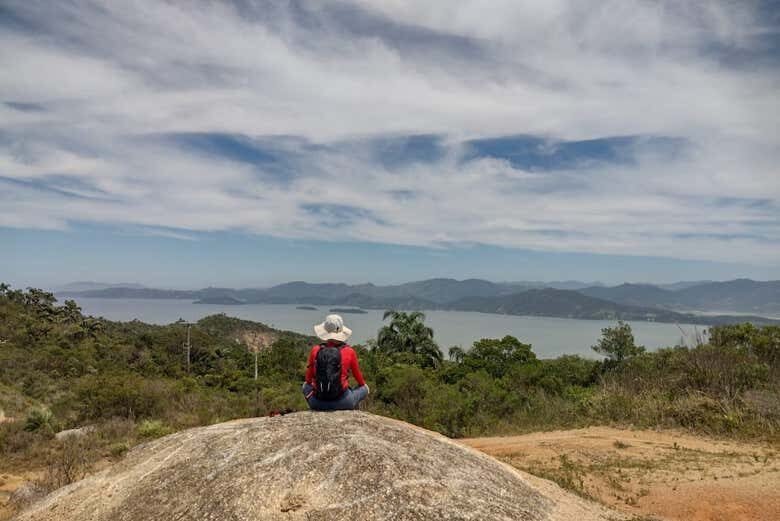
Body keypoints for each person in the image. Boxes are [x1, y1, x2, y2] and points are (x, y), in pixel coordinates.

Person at [302, 314, 369, 411]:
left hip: (317, 403)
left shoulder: (315, 350)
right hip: (345, 402)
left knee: (305, 386)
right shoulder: (350, 352)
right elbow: (360, 380)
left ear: (325, 331)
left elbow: (308, 380)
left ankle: (317, 405)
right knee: (365, 388)